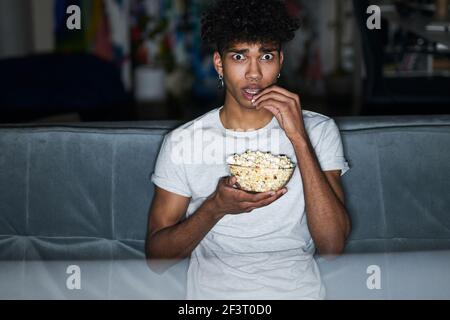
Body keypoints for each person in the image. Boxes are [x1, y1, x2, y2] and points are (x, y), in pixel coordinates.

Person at [145, 0, 351, 300]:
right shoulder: (183, 142)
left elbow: (332, 247)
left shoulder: (318, 131)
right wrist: (215, 207)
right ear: (220, 64)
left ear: (280, 61)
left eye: (265, 56)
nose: (254, 73)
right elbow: (156, 260)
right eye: (240, 56)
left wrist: (298, 139)